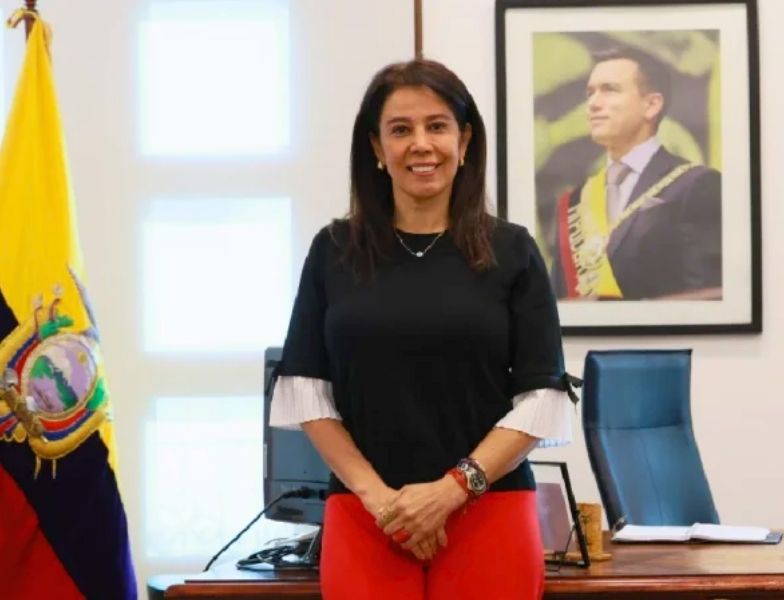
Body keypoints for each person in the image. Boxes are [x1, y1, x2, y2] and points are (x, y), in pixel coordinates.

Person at [269, 59, 576, 600]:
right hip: (367, 514)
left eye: (437, 126)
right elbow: (307, 392)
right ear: (376, 147)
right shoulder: (333, 252)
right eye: (400, 129)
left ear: (464, 140)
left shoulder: (512, 251)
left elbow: (541, 400)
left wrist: (452, 491)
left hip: (489, 510)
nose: (421, 144)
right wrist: (383, 502)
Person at [550, 48, 722, 300]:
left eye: (609, 90)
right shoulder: (573, 202)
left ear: (651, 105)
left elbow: (708, 299)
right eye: (590, 93)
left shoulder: (697, 184)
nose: (593, 104)